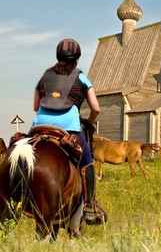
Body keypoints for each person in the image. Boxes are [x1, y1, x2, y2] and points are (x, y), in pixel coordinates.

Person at [32, 38, 106, 225]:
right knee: (87, 162)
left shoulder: (44, 77)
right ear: (77, 59)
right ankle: (89, 207)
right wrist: (88, 122)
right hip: (69, 127)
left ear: (58, 57)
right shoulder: (81, 78)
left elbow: (35, 106)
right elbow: (95, 108)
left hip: (39, 126)